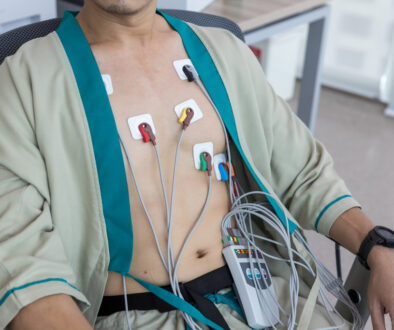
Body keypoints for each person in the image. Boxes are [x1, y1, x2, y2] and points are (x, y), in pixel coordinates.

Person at [1, 0, 394, 329]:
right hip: (135, 315)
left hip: (264, 299)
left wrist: (379, 248)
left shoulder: (223, 53)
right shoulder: (25, 80)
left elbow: (304, 172)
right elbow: (23, 264)